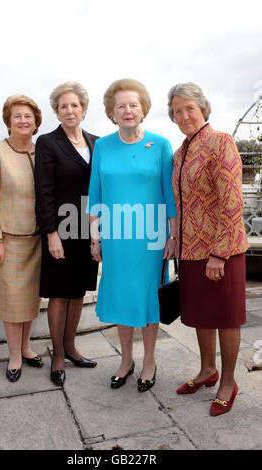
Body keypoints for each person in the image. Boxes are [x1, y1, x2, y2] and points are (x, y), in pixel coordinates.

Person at [88, 78, 177, 392]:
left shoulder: (161, 144)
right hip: (115, 235)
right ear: (113, 113)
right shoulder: (102, 146)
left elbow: (170, 194)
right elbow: (94, 192)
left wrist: (173, 236)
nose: (128, 110)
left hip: (151, 236)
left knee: (149, 296)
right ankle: (126, 361)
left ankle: (150, 361)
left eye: (133, 104)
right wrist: (94, 237)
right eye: (121, 106)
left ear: (143, 109)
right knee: (123, 295)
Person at [168, 82, 249, 416]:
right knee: (202, 315)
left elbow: (232, 201)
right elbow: (179, 201)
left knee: (226, 317)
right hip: (190, 250)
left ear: (203, 108)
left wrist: (219, 252)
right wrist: (175, 238)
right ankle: (206, 370)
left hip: (222, 250)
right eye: (177, 111)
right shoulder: (180, 152)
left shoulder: (220, 142)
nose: (184, 115)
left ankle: (227, 381)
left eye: (190, 108)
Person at [34, 82, 99, 387]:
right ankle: (58, 355)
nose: (69, 111)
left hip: (88, 229)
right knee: (59, 294)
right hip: (61, 228)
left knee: (77, 292)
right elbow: (43, 191)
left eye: (74, 105)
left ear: (83, 109)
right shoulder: (48, 143)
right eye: (63, 106)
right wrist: (51, 233)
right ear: (56, 111)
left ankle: (72, 347)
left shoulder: (97, 143)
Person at [0, 95, 43, 382]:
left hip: (37, 240)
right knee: (12, 302)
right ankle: (14, 355)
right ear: (8, 121)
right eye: (17, 116)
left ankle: (27, 347)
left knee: (30, 301)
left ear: (36, 121)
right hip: (8, 241)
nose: (23, 120)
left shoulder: (41, 152)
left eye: (28, 116)